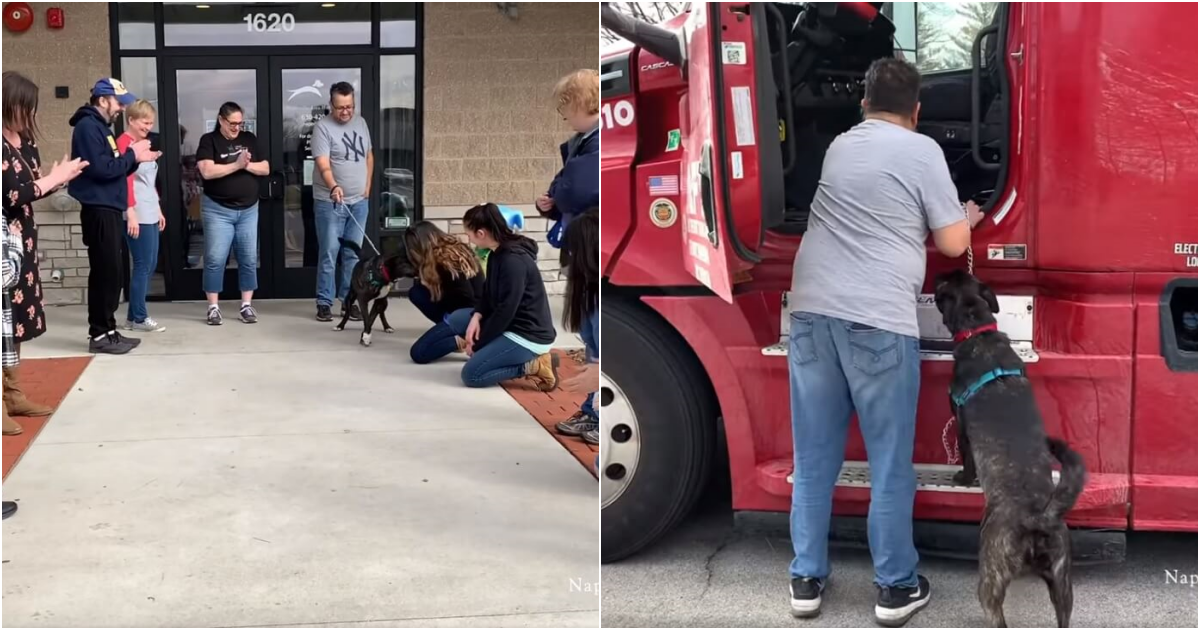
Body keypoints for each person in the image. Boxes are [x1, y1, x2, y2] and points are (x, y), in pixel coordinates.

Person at [786, 58, 984, 626]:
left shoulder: (841, 146)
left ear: (863, 105)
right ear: (917, 111)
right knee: (890, 463)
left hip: (811, 314)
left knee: (815, 458)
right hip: (877, 319)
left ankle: (805, 579)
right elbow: (951, 245)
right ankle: (895, 588)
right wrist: (963, 217)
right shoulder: (922, 151)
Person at [2, 72, 87, 414]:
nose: (30, 115)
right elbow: (10, 195)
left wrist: (56, 179)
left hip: (23, 242)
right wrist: (52, 179)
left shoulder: (25, 140)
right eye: (27, 107)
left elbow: (31, 190)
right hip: (3, 243)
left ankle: (12, 394)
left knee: (17, 318)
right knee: (1, 320)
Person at [410, 203, 558, 391]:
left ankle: (535, 365)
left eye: (469, 233)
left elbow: (506, 311)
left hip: (526, 334)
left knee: (472, 374)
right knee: (458, 318)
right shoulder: (497, 253)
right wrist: (477, 316)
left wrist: (479, 343)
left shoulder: (513, 262)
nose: (468, 238)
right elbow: (488, 292)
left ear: (481, 233)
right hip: (506, 321)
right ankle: (482, 341)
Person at [69, 77, 159, 354]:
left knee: (112, 273)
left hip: (108, 207)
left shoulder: (100, 128)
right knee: (105, 273)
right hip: (98, 209)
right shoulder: (88, 127)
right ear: (102, 100)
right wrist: (132, 156)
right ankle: (99, 335)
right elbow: (101, 169)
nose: (121, 108)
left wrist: (134, 159)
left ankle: (109, 331)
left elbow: (114, 168)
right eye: (119, 102)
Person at [196, 102, 269, 326]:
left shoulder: (249, 139)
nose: (237, 128)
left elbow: (265, 168)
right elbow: (207, 171)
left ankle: (246, 305)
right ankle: (213, 307)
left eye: (240, 123)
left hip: (248, 209)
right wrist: (237, 165)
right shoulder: (209, 141)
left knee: (248, 257)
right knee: (216, 258)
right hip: (218, 209)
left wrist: (245, 166)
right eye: (232, 123)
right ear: (220, 120)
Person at [312, 81, 373, 323]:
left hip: (359, 202)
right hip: (331, 203)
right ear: (331, 104)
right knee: (329, 252)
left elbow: (369, 155)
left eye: (349, 106)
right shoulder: (322, 128)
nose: (346, 111)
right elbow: (323, 164)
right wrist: (334, 186)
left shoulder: (361, 122)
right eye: (340, 107)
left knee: (353, 255)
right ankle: (324, 302)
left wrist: (367, 186)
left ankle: (348, 302)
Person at [118, 99, 167, 333]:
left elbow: (150, 182)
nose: (148, 126)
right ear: (131, 120)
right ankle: (139, 317)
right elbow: (124, 180)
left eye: (151, 123)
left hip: (149, 209)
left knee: (150, 264)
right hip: (135, 211)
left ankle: (131, 318)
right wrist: (131, 213)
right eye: (144, 122)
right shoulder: (124, 144)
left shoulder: (144, 143)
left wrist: (158, 209)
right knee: (142, 265)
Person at [536, 70, 599, 248]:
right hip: (583, 238)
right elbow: (566, 186)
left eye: (564, 108)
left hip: (589, 243)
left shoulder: (596, 142)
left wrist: (556, 193)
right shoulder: (583, 141)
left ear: (579, 103)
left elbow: (573, 192)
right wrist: (550, 203)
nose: (564, 117)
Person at [555, 209, 600, 446]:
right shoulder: (586, 289)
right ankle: (593, 413)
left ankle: (607, 416)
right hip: (597, 356)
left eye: (572, 249)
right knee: (594, 353)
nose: (568, 254)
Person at [404, 220, 484, 327]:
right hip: (480, 304)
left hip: (470, 313)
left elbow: (465, 297)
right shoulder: (457, 248)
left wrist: (430, 284)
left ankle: (450, 325)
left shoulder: (444, 262)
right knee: (418, 290)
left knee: (417, 293)